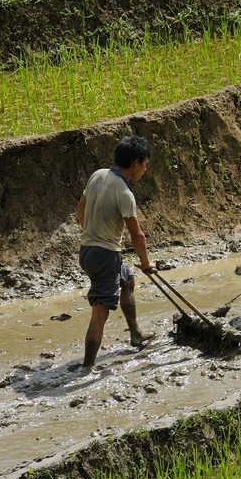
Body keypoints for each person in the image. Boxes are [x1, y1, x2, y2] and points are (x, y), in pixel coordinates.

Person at [75, 135, 156, 371]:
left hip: (87, 250)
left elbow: (80, 209)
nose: (145, 169)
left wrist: (91, 233)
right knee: (99, 314)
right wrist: (147, 263)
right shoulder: (124, 193)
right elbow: (137, 235)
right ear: (136, 163)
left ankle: (136, 335)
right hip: (105, 255)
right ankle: (87, 366)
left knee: (127, 278)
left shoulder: (98, 175)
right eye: (145, 164)